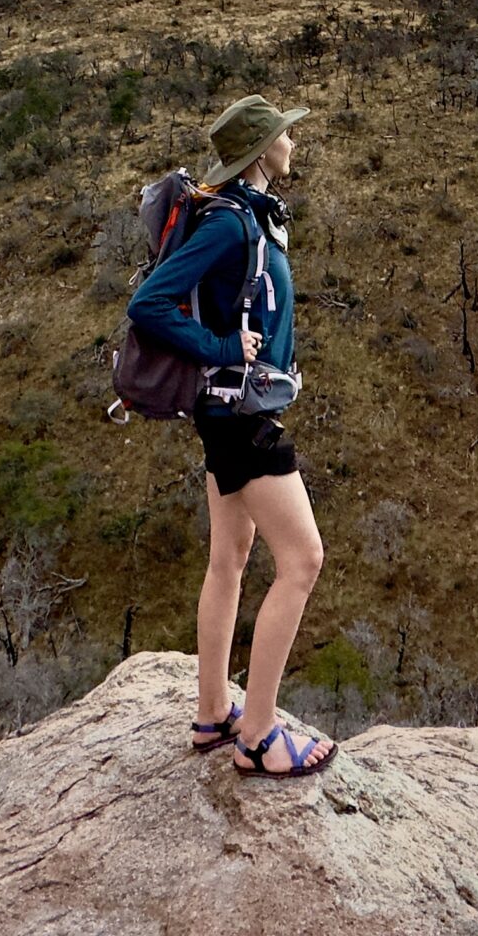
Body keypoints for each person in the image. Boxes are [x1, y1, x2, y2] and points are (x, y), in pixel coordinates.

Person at [126, 93, 338, 780]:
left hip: (232, 411)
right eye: (282, 136)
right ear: (259, 153)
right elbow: (149, 304)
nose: (292, 144)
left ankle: (213, 713)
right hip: (240, 418)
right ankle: (259, 733)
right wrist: (221, 344)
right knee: (303, 560)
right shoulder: (229, 225)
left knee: (231, 555)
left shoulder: (252, 217)